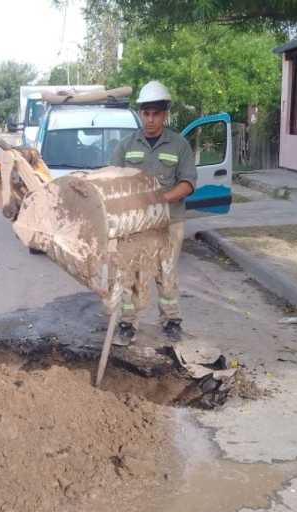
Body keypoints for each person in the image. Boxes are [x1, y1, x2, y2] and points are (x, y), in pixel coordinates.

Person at [109, 80, 197, 345]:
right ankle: (127, 324)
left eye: (155, 113)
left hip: (169, 221)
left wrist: (158, 200)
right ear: (140, 113)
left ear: (164, 114)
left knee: (166, 272)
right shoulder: (126, 146)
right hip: (135, 224)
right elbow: (113, 181)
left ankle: (171, 321)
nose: (150, 119)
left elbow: (188, 183)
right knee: (131, 274)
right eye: (145, 113)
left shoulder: (179, 145)